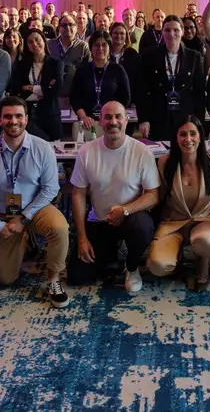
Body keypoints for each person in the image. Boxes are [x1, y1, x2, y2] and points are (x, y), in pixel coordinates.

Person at [0, 96, 69, 306]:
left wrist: (23, 218)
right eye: (7, 116)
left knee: (60, 228)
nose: (13, 121)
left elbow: (51, 188)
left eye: (18, 116)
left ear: (26, 118)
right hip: (2, 214)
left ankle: (53, 279)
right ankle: (26, 240)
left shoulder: (43, 148)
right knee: (5, 279)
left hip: (35, 208)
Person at [68, 102, 160, 292]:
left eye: (118, 116)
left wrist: (125, 210)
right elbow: (78, 194)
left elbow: (153, 195)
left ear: (127, 120)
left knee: (142, 227)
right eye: (108, 117)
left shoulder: (142, 151)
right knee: (77, 276)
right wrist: (82, 238)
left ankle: (132, 266)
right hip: (100, 220)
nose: (113, 122)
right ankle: (112, 252)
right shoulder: (86, 151)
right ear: (100, 122)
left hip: (131, 218)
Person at [149, 118, 210, 291]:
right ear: (176, 138)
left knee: (206, 242)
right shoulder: (165, 162)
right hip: (173, 223)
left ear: (200, 136)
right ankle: (177, 258)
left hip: (204, 221)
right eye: (183, 134)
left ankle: (203, 262)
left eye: (193, 133)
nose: (188, 139)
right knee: (158, 266)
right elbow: (157, 196)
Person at [137, 15, 206, 140]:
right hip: (157, 117)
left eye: (176, 30)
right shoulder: (149, 56)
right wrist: (143, 119)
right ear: (162, 32)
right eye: (167, 30)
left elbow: (199, 93)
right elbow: (142, 90)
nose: (171, 34)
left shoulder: (194, 57)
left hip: (186, 118)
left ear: (182, 32)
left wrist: (198, 123)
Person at [71, 30, 131, 133]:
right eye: (96, 45)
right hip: (87, 123)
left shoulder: (117, 69)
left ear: (109, 48)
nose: (100, 48)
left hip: (112, 123)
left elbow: (125, 98)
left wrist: (112, 117)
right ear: (91, 48)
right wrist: (84, 117)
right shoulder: (82, 70)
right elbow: (74, 98)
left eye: (104, 45)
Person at [11, 29, 63, 141]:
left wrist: (31, 88)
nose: (34, 44)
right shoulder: (21, 65)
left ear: (44, 41)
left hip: (50, 117)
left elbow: (55, 91)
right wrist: (43, 91)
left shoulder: (56, 64)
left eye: (37, 39)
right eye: (30, 42)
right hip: (28, 118)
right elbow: (16, 90)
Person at [47, 15, 92, 109]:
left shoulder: (83, 46)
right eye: (64, 25)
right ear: (59, 28)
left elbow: (88, 73)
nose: (67, 27)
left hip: (75, 97)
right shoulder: (49, 45)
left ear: (76, 27)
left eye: (71, 24)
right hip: (51, 96)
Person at [109, 21, 142, 103]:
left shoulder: (133, 54)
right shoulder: (105, 54)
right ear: (111, 35)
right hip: (108, 100)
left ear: (126, 36)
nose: (119, 36)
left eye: (122, 33)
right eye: (115, 33)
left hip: (129, 101)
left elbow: (138, 80)